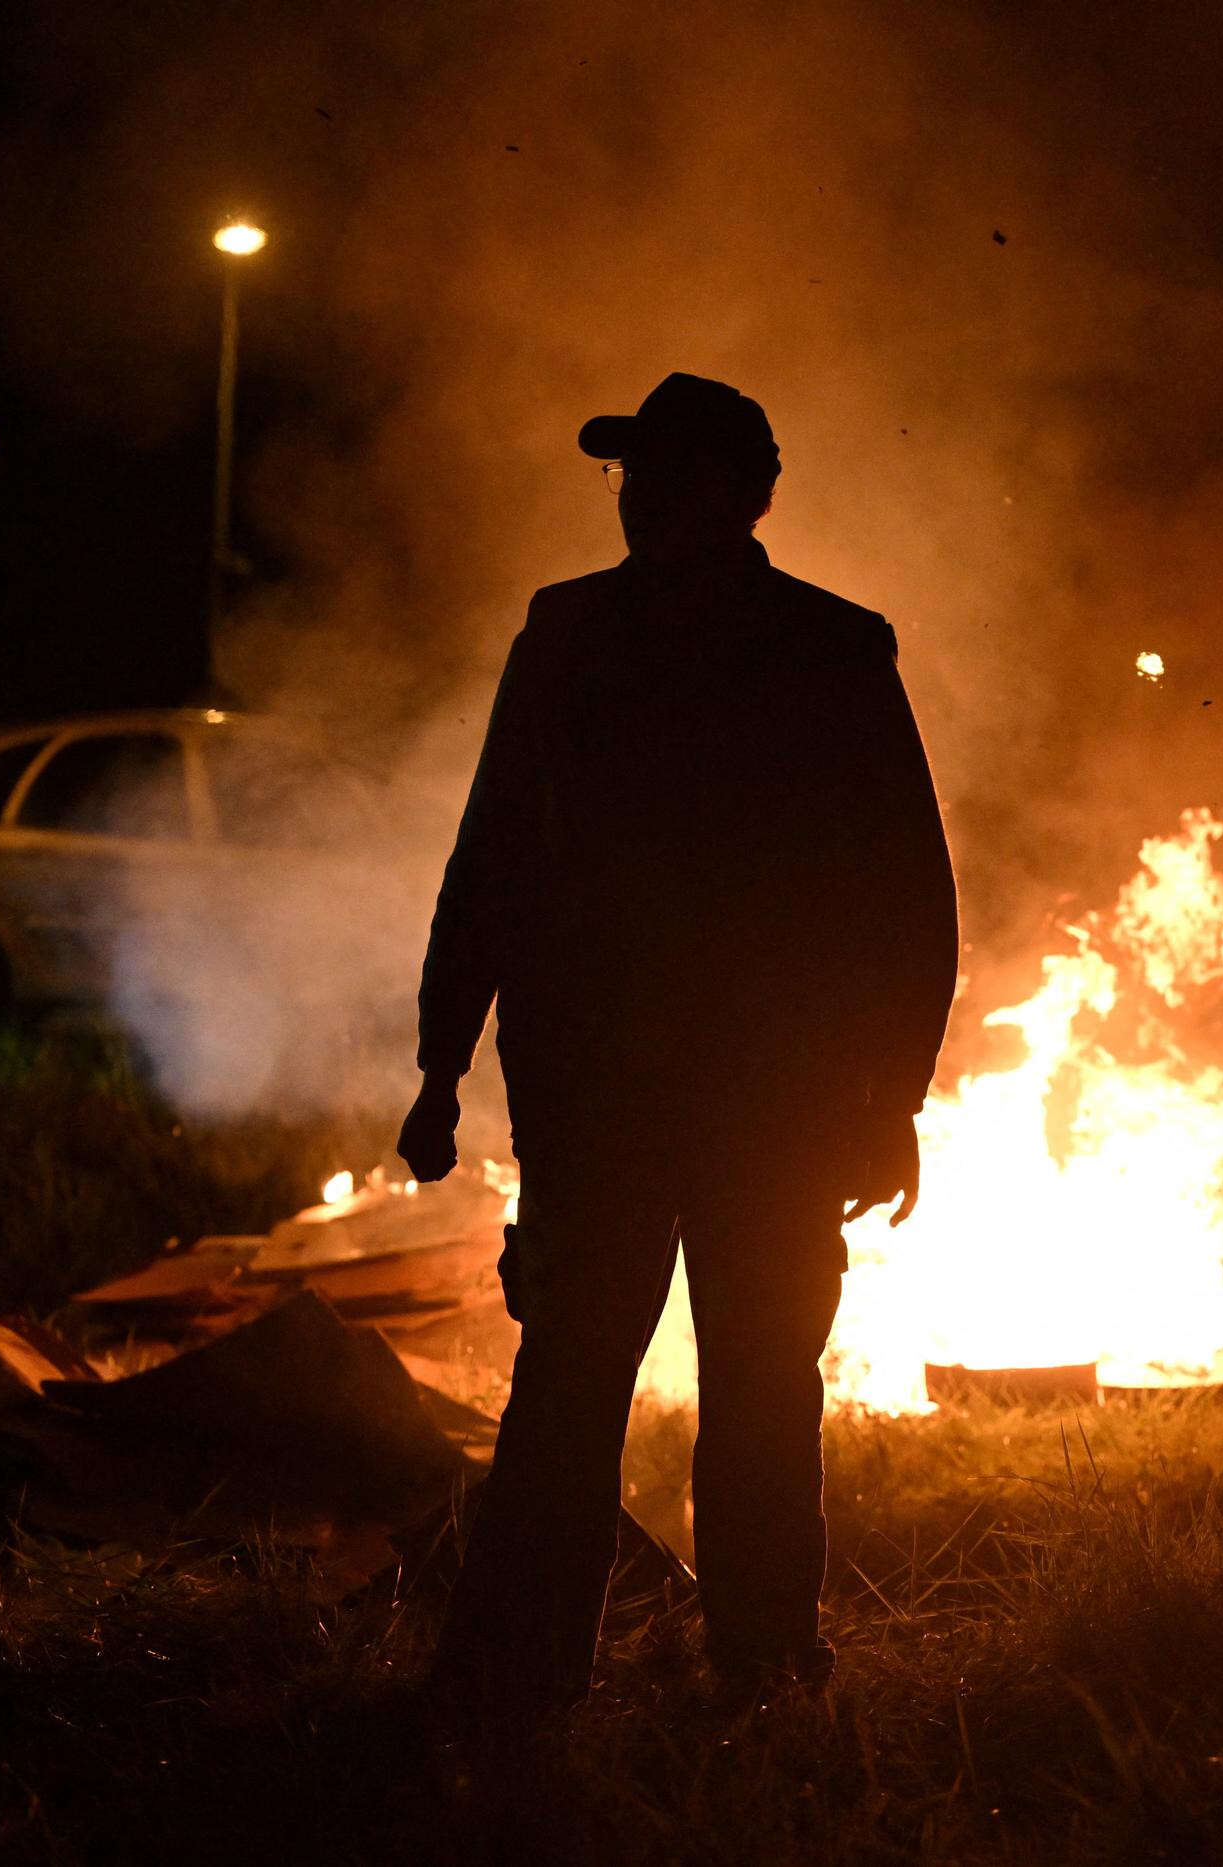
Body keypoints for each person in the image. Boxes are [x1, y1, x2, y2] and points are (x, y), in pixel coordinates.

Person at [403, 372, 959, 1720]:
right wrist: (439, 1061)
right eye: (634, 478)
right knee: (589, 1387)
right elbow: (496, 857)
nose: (643, 500)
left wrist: (893, 1103)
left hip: (730, 1103)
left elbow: (902, 897)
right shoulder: (579, 635)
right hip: (622, 1098)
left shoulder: (826, 649)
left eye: (670, 476)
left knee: (742, 1388)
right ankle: (533, 1674)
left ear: (747, 494)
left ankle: (742, 1667)